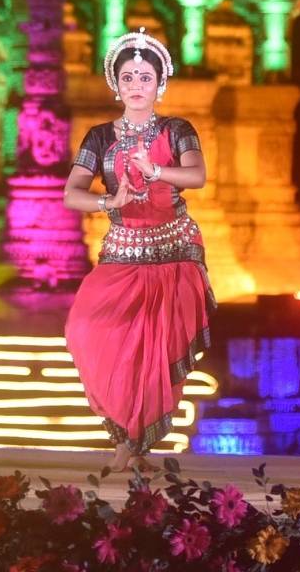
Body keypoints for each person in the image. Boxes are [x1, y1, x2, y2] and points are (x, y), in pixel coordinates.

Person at [63, 27, 216, 472]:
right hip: (122, 249)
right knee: (87, 329)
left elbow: (197, 176)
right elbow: (72, 192)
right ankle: (122, 435)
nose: (136, 86)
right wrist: (108, 201)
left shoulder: (177, 129)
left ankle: (134, 448)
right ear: (116, 84)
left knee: (154, 349)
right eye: (128, 77)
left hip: (173, 250)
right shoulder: (98, 136)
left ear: (159, 84)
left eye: (145, 78)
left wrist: (157, 170)